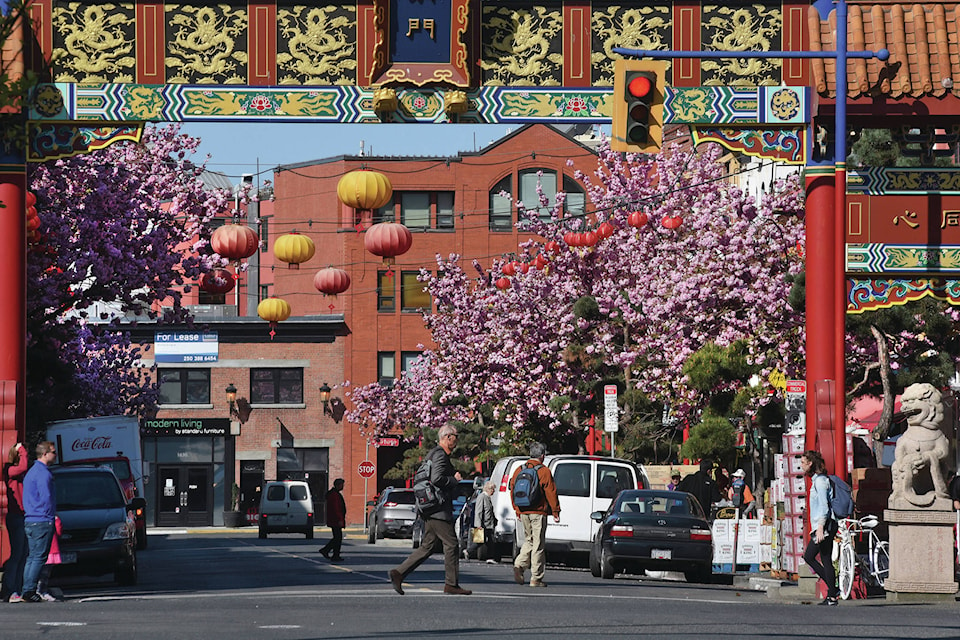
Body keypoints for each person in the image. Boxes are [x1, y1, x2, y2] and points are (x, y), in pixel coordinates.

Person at [389, 423, 471, 595]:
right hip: (437, 508)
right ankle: (451, 584)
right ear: (447, 437)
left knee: (427, 546)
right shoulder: (440, 455)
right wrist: (454, 479)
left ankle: (399, 573)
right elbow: (437, 478)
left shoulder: (432, 453)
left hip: (429, 507)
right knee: (452, 544)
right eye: (455, 436)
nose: (457, 440)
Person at [510, 442, 561, 588]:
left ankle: (519, 564)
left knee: (529, 540)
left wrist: (517, 509)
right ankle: (536, 578)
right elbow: (551, 492)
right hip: (538, 512)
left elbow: (512, 489)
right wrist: (555, 511)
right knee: (538, 544)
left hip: (523, 510)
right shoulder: (543, 471)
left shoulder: (519, 469)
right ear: (542, 456)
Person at [801, 449, 839, 606]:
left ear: (810, 463)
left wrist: (820, 527)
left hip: (824, 525)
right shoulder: (818, 480)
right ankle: (832, 595)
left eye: (803, 462)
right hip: (823, 525)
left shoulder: (820, 482)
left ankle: (833, 588)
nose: (801, 465)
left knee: (809, 556)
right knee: (825, 558)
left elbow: (824, 506)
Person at [21, 441, 58, 603]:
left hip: (30, 519)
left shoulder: (32, 472)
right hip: (42, 520)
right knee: (38, 557)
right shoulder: (43, 474)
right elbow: (46, 498)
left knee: (32, 557)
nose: (55, 455)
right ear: (45, 454)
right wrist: (51, 517)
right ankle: (29, 590)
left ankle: (27, 588)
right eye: (53, 452)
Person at [2, 442, 29, 602]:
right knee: (16, 554)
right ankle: (10, 589)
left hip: (23, 515)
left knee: (23, 554)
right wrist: (22, 451)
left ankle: (18, 588)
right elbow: (23, 467)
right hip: (15, 516)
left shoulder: (16, 474)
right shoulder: (10, 471)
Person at [35, 516, 62, 602]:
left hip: (40, 548)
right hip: (52, 548)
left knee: (38, 571)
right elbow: (59, 530)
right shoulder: (53, 517)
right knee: (45, 574)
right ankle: (42, 590)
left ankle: (38, 589)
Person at [319, 478, 346, 561]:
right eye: (342, 484)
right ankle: (329, 552)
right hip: (335, 520)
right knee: (337, 538)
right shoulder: (334, 495)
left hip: (334, 519)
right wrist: (340, 519)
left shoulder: (335, 494)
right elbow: (336, 508)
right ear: (337, 485)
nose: (343, 486)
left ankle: (332, 553)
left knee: (337, 537)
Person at [473, 481, 497, 564]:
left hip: (489, 524)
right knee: (480, 541)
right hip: (483, 524)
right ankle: (468, 551)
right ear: (488, 489)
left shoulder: (488, 498)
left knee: (489, 541)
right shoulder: (482, 497)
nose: (493, 491)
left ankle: (490, 557)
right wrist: (478, 524)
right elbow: (479, 511)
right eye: (493, 489)